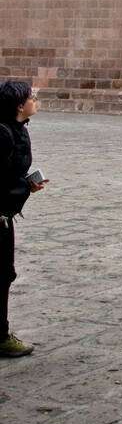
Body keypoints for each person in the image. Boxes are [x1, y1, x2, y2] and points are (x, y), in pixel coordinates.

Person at [0, 81, 49, 358]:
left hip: (5, 216)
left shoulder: (17, 129)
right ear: (20, 106)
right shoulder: (3, 134)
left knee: (4, 274)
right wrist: (22, 187)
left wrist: (24, 185)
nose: (35, 100)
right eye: (31, 97)